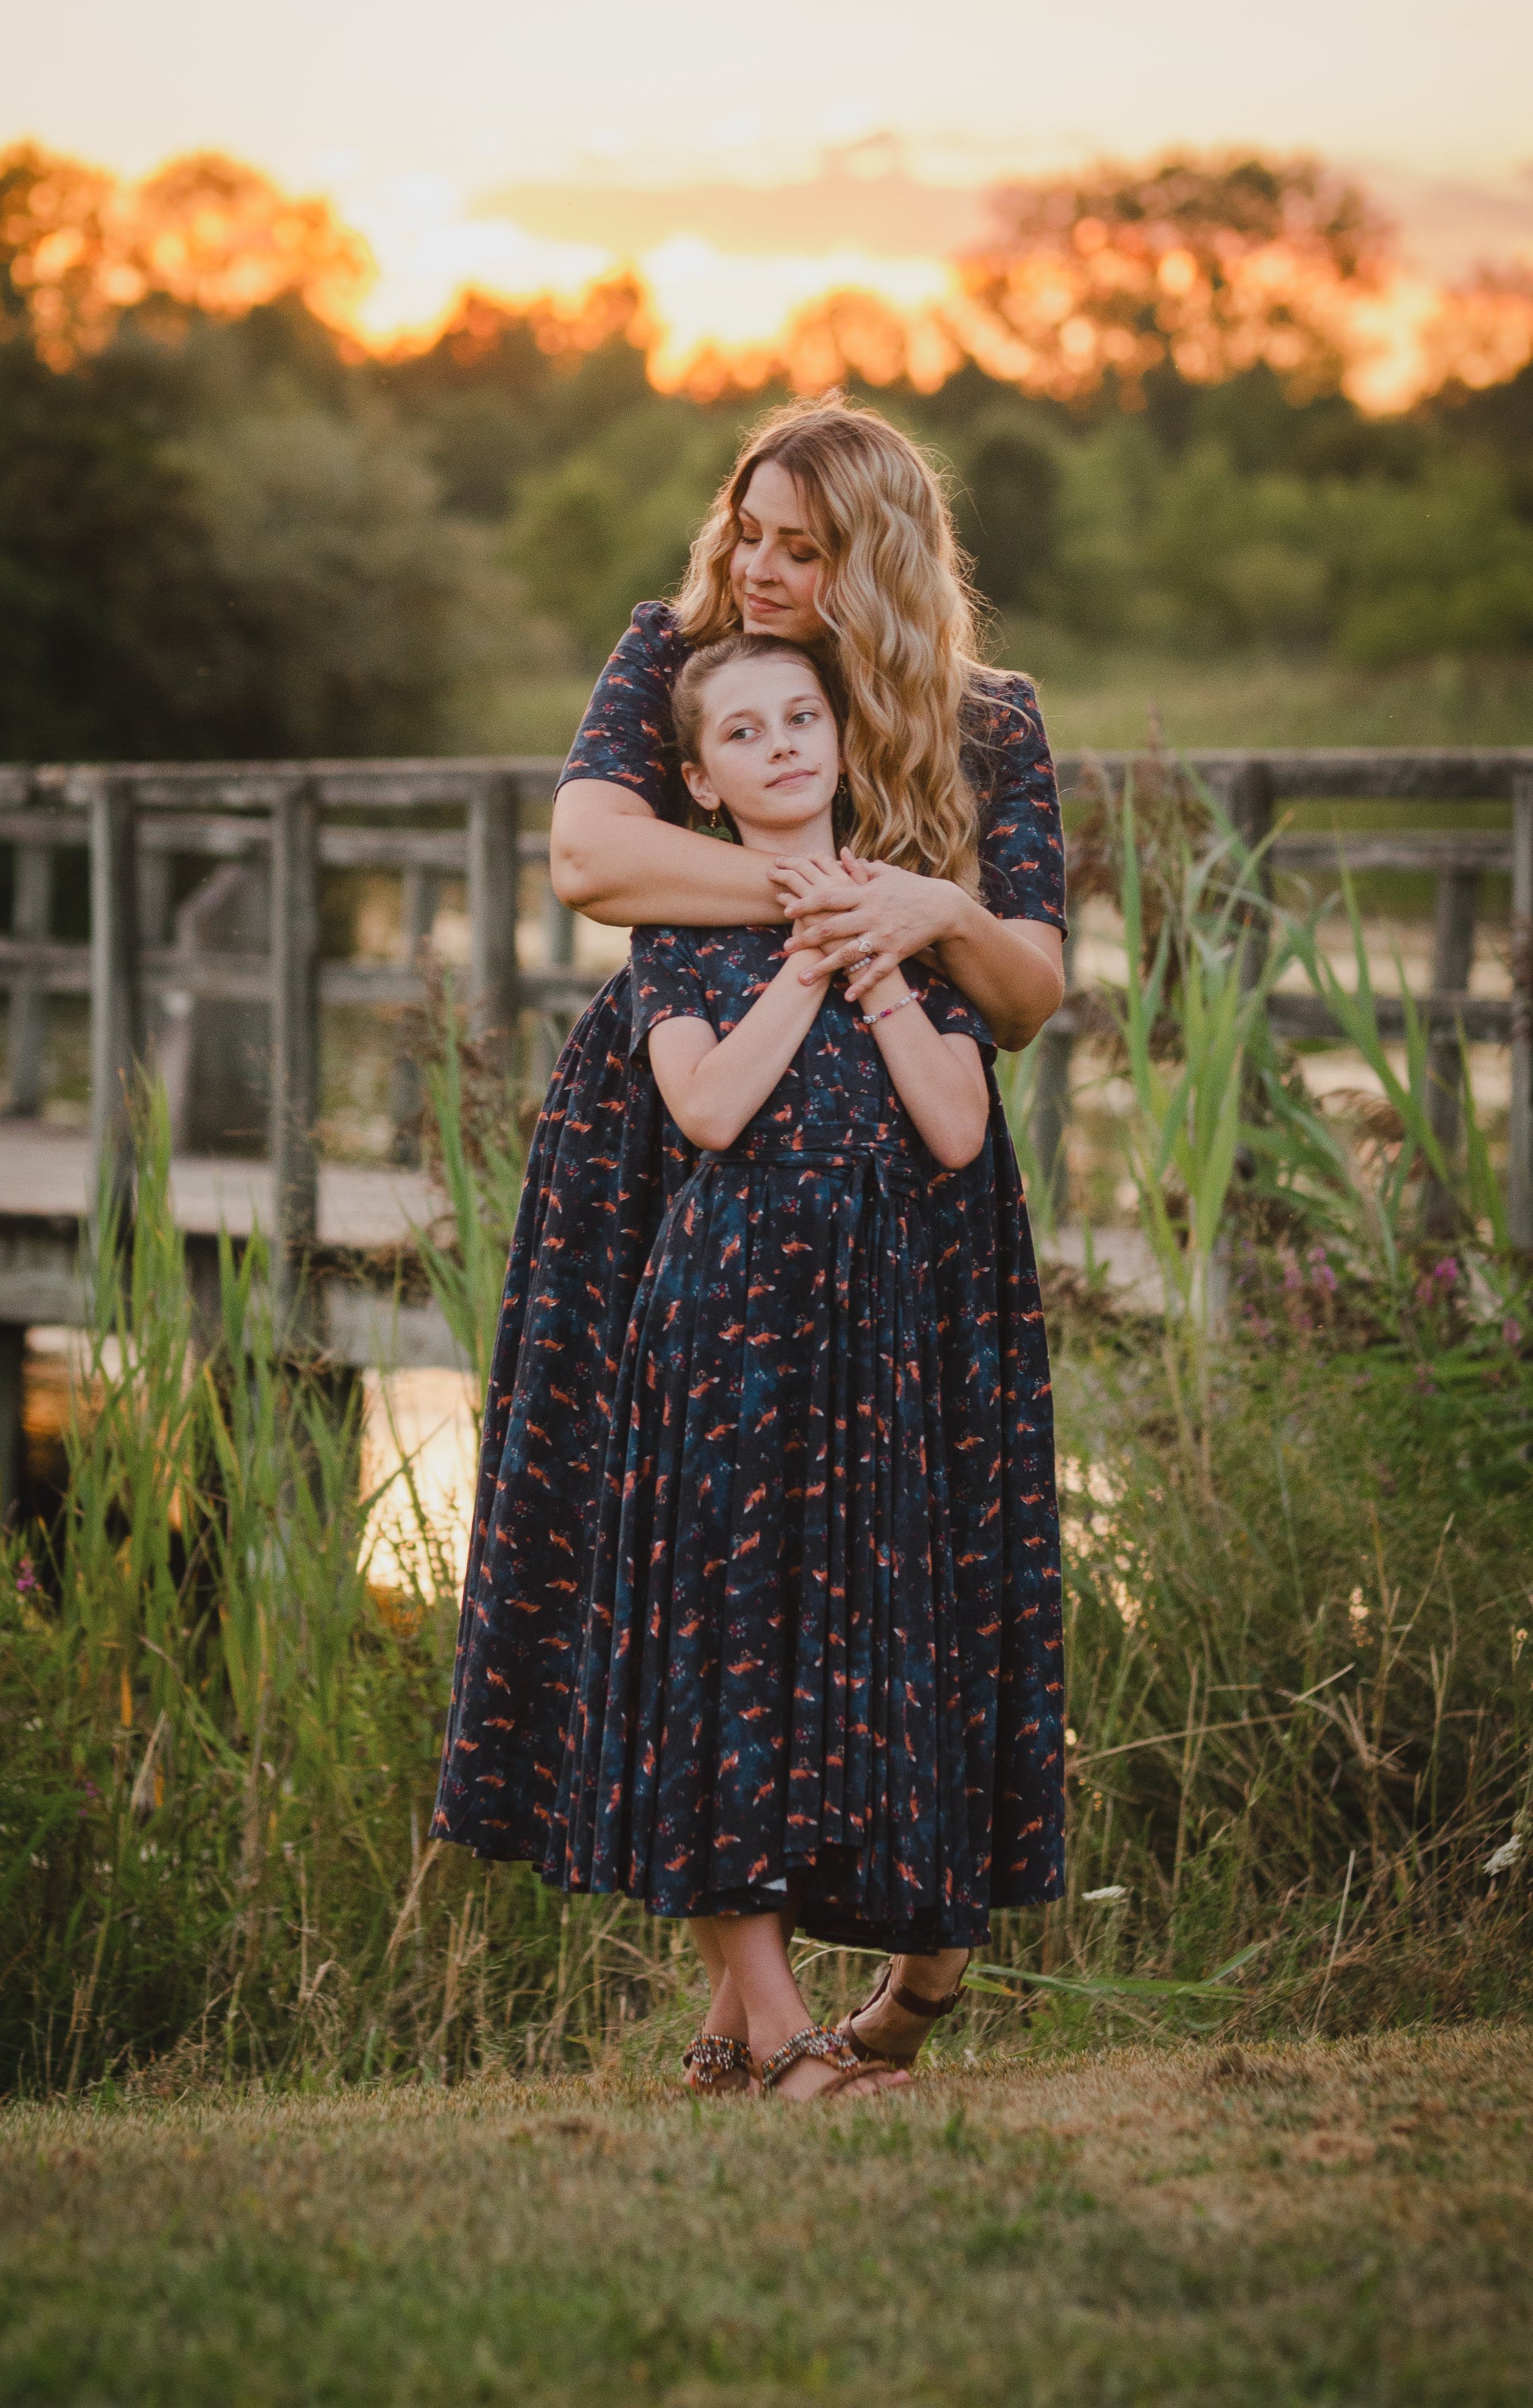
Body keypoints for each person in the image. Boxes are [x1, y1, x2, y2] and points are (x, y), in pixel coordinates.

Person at [433, 393, 1068, 2088]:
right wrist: (817, 899)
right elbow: (590, 854)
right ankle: (763, 2006)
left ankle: (811, 2005)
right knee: (678, 1535)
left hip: (910, 1188)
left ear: (874, 559)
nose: (764, 568)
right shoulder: (676, 656)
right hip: (681, 1141)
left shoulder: (989, 721)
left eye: (805, 545)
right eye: (751, 530)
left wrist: (927, 912)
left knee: (904, 1551)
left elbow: (1028, 987)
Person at [554, 631, 999, 2099]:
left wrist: (873, 959)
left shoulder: (904, 917)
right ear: (699, 779)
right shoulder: (679, 928)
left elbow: (953, 1130)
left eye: (802, 717)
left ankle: (747, 2023)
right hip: (723, 1320)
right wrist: (804, 969)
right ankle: (776, 2023)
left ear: (840, 738)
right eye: (744, 734)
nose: (785, 745)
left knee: (839, 1650)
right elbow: (705, 1110)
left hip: (867, 1334)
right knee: (720, 1650)